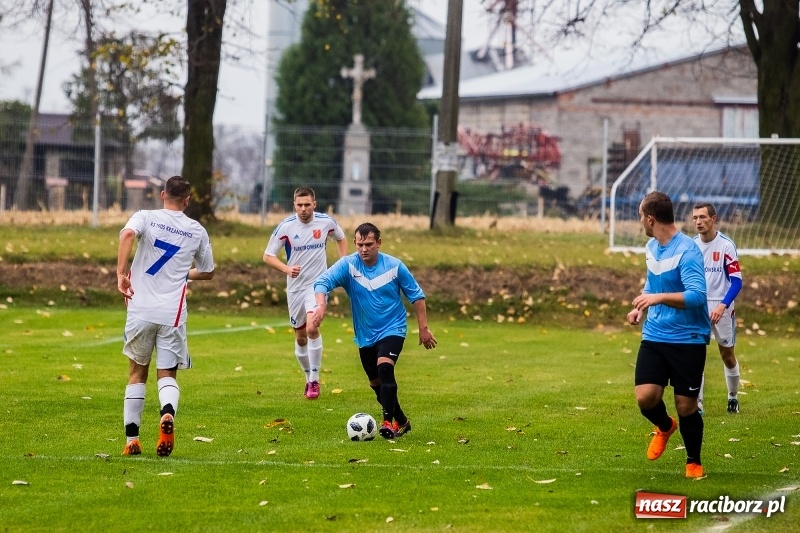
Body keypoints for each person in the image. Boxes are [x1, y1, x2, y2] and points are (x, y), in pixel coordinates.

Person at [116, 176, 215, 457]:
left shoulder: (145, 216)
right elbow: (208, 271)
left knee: (137, 372)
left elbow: (126, 235)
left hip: (140, 309)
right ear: (187, 200)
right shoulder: (196, 230)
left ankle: (132, 440)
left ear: (162, 195)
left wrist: (121, 274)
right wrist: (184, 273)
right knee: (167, 373)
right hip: (172, 313)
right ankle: (167, 413)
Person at [310, 222, 437, 439]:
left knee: (385, 368)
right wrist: (321, 306)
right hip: (365, 335)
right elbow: (322, 282)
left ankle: (387, 423)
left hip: (393, 328)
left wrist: (423, 329)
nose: (364, 249)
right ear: (354, 243)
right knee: (376, 384)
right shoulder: (348, 265)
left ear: (378, 243)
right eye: (360, 245)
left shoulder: (395, 266)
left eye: (369, 244)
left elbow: (417, 296)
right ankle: (402, 421)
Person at [626, 191, 710, 478]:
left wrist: (658, 298)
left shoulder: (687, 251)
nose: (640, 221)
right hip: (655, 334)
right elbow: (653, 284)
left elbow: (697, 296)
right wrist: (641, 306)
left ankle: (693, 461)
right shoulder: (651, 247)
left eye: (641, 216)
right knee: (645, 398)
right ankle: (665, 426)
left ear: (650, 219)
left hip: (688, 338)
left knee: (686, 406)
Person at [263, 187, 347, 399]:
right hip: (295, 289)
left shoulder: (325, 222)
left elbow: (341, 237)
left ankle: (315, 380)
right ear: (294, 205)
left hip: (318, 286)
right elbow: (267, 255)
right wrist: (286, 269)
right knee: (300, 337)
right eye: (299, 205)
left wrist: (343, 263)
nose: (303, 209)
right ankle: (308, 376)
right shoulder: (286, 227)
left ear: (314, 204)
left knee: (312, 328)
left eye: (307, 205)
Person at [693, 202, 743, 414]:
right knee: (695, 356)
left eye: (702, 217)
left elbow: (737, 282)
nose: (698, 222)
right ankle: (697, 404)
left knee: (727, 355)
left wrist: (722, 306)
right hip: (698, 306)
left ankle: (733, 397)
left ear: (713, 219)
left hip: (722, 306)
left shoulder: (726, 246)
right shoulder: (692, 246)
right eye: (695, 218)